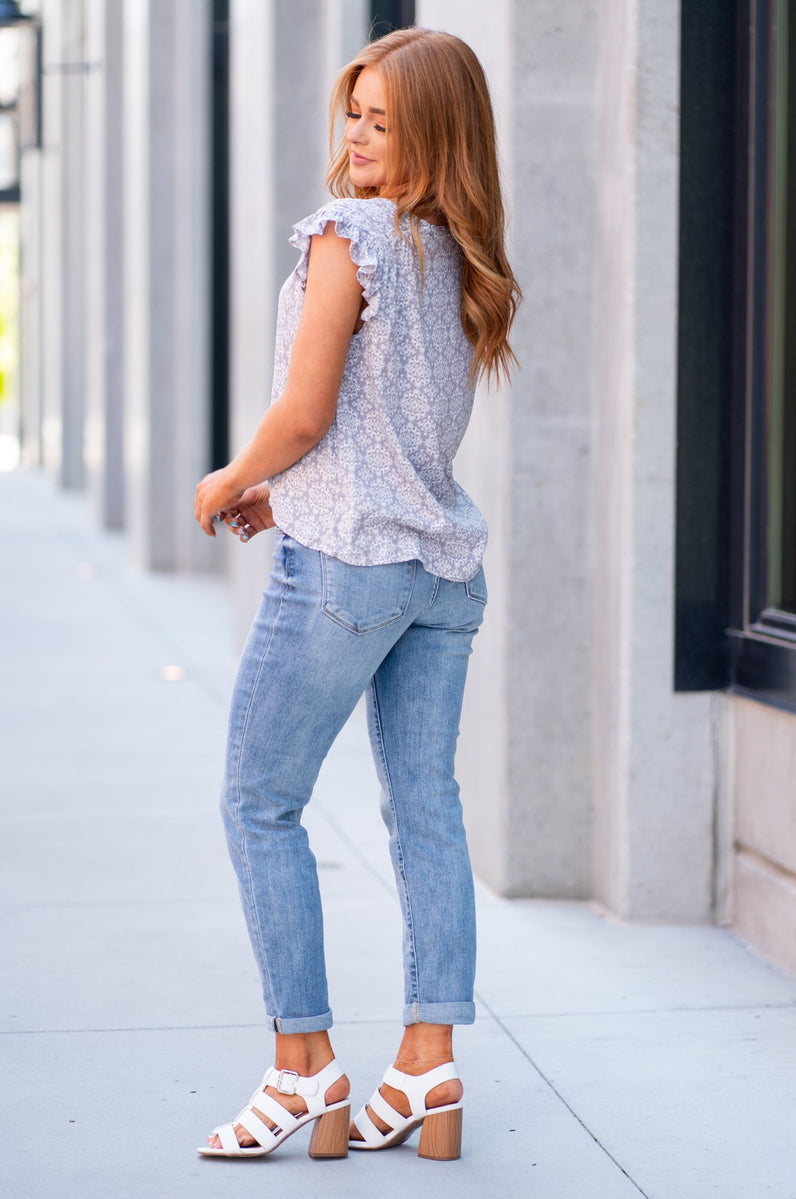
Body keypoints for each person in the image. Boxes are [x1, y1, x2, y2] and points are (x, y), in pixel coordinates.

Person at [193, 25, 520, 1163]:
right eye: (355, 113)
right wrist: (288, 500)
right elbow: (395, 433)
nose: (359, 137)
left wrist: (236, 476)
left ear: (433, 133)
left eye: (384, 120)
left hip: (344, 576)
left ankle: (302, 1067)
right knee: (422, 805)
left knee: (257, 799)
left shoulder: (349, 237)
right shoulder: (456, 254)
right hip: (438, 574)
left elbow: (308, 411)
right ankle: (426, 1066)